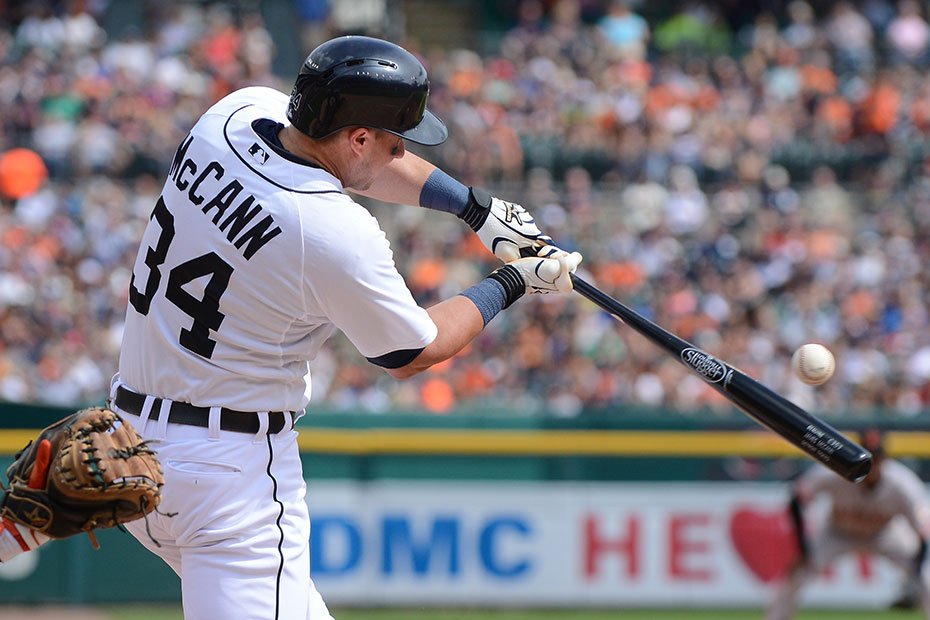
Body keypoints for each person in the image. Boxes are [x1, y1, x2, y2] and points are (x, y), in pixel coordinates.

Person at [91, 35, 578, 620]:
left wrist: (475, 208)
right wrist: (514, 282)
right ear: (360, 136)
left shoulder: (233, 116)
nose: (402, 152)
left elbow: (358, 166)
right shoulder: (331, 231)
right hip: (227, 482)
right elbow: (412, 350)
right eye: (394, 140)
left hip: (126, 440)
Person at [765, 429, 930, 620]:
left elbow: (923, 531)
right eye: (868, 458)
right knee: (797, 573)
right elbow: (798, 496)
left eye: (875, 459)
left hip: (884, 534)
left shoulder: (903, 483)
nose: (872, 465)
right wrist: (803, 548)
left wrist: (916, 571)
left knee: (927, 577)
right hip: (837, 532)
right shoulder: (836, 472)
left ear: (884, 460)